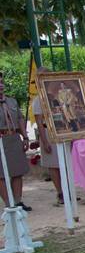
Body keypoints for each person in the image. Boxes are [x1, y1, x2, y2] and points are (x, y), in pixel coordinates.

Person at [30, 67, 63, 204]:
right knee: (54, 165)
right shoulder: (38, 100)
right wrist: (44, 142)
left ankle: (67, 191)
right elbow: (39, 123)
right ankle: (60, 193)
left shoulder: (58, 95)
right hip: (48, 132)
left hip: (61, 130)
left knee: (64, 163)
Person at [0, 72, 31, 211]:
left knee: (17, 171)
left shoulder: (12, 101)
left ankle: (17, 201)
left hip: (13, 138)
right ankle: (9, 204)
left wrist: (25, 137)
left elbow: (19, 119)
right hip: (1, 139)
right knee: (1, 175)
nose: (1, 85)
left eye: (2, 82)